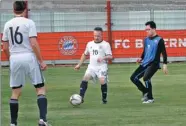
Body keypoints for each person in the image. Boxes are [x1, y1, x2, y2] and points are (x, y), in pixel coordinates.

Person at [2, 1, 49, 126]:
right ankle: (43, 120)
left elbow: (5, 46)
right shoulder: (29, 23)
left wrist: (11, 59)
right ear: (25, 9)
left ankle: (13, 123)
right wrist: (41, 61)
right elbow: (33, 43)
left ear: (13, 9)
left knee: (16, 91)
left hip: (15, 57)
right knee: (40, 88)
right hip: (28, 56)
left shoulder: (7, 24)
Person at [130, 21, 168, 104]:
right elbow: (145, 51)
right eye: (146, 30)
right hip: (145, 63)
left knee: (146, 78)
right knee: (133, 78)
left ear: (154, 29)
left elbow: (164, 52)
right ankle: (145, 91)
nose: (146, 31)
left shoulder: (159, 40)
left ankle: (150, 98)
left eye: (148, 29)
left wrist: (165, 64)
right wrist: (141, 58)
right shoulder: (146, 40)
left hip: (154, 64)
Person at [74, 27, 112, 104]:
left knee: (102, 80)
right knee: (85, 78)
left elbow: (110, 56)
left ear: (102, 35)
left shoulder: (106, 44)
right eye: (95, 35)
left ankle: (104, 99)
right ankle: (81, 97)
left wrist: (103, 58)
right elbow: (85, 55)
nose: (96, 37)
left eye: (98, 36)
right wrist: (79, 65)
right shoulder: (89, 44)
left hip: (102, 66)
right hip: (92, 67)